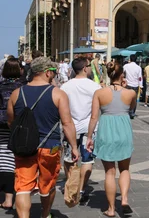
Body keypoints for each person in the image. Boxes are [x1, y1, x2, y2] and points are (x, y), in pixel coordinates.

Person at [7, 57, 79, 218]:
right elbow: (67, 124)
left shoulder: (16, 93)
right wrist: (74, 147)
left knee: (23, 187)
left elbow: (11, 121)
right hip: (50, 146)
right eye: (53, 72)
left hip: (24, 147)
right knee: (47, 185)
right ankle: (45, 214)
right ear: (47, 72)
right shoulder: (58, 94)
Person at [86, 62, 136, 217]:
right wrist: (125, 87)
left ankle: (111, 209)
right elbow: (132, 109)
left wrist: (89, 137)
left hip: (106, 130)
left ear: (108, 74)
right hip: (123, 130)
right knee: (125, 169)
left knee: (109, 172)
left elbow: (94, 117)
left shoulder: (99, 93)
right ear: (122, 76)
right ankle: (125, 200)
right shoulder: (131, 93)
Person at [60, 57, 102, 203]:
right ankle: (82, 189)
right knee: (87, 160)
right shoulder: (95, 87)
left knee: (69, 158)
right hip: (88, 129)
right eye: (89, 66)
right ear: (85, 68)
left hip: (69, 128)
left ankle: (71, 187)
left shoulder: (65, 86)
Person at [0, 58, 24, 210]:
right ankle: (9, 198)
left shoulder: (0, 86)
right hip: (18, 125)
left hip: (0, 125)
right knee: (12, 157)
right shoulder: (23, 88)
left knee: (1, 154)